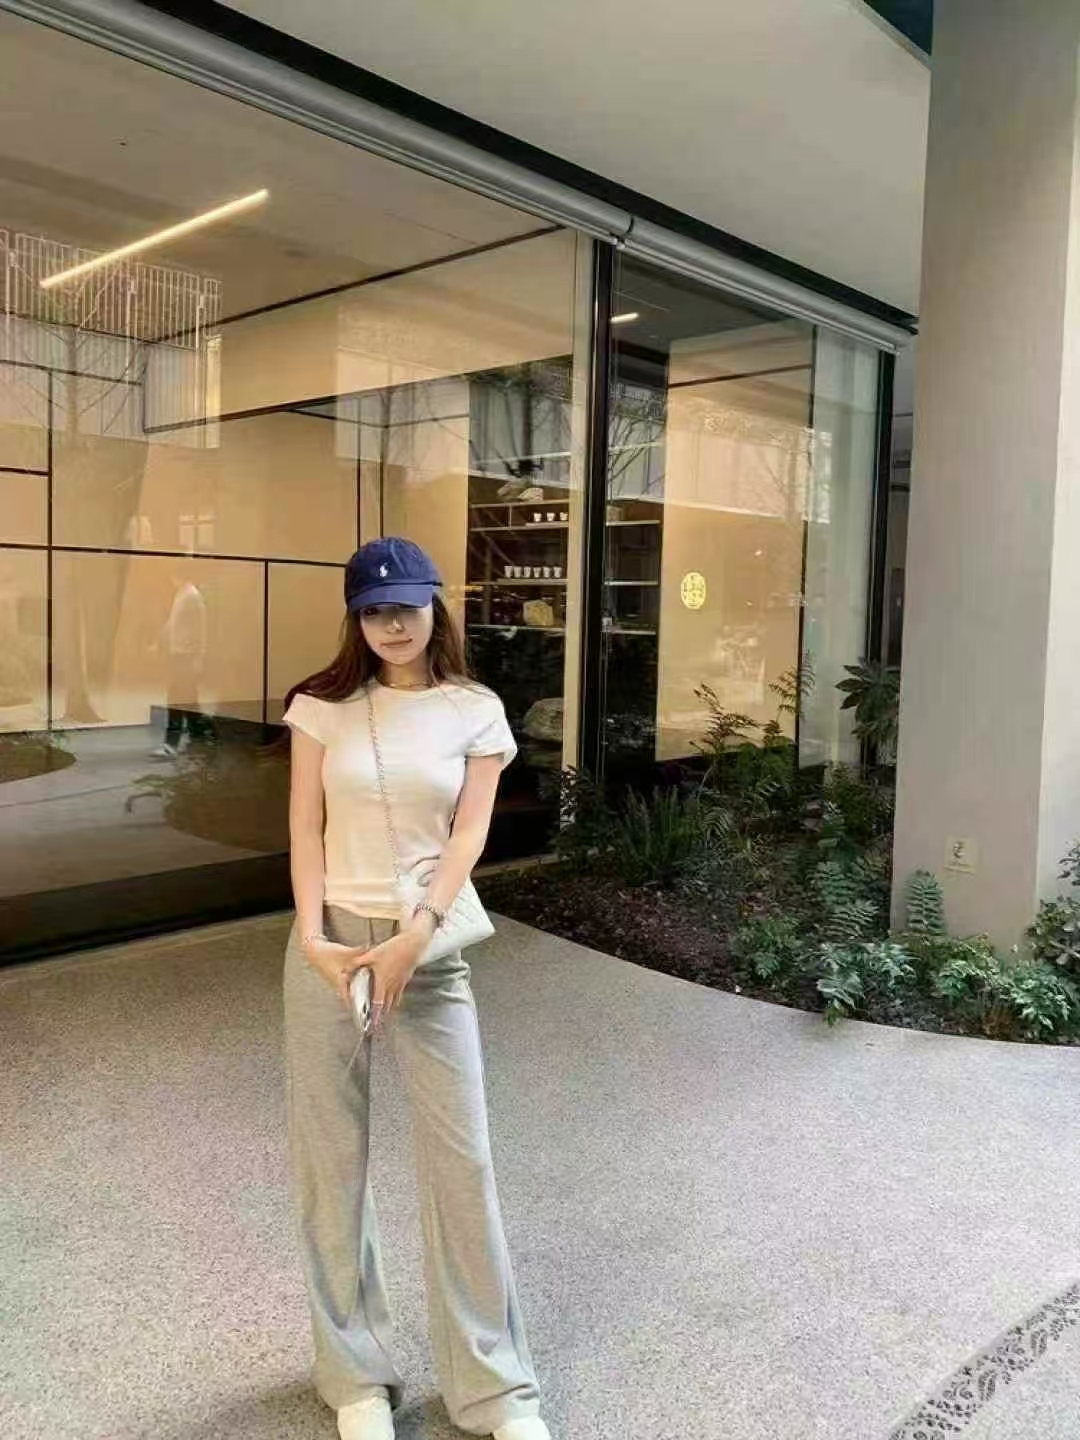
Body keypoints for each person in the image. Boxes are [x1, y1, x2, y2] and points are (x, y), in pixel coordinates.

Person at [281, 537, 551, 1440]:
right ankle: (354, 1377)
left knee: (462, 1162)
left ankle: (495, 1389)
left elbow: (469, 835)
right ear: (355, 619)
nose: (392, 624)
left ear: (437, 606)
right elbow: (305, 830)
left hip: (426, 953)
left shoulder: (475, 710)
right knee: (331, 1165)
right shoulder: (320, 709)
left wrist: (415, 937)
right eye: (374, 610)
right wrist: (315, 940)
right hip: (327, 952)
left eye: (406, 605)